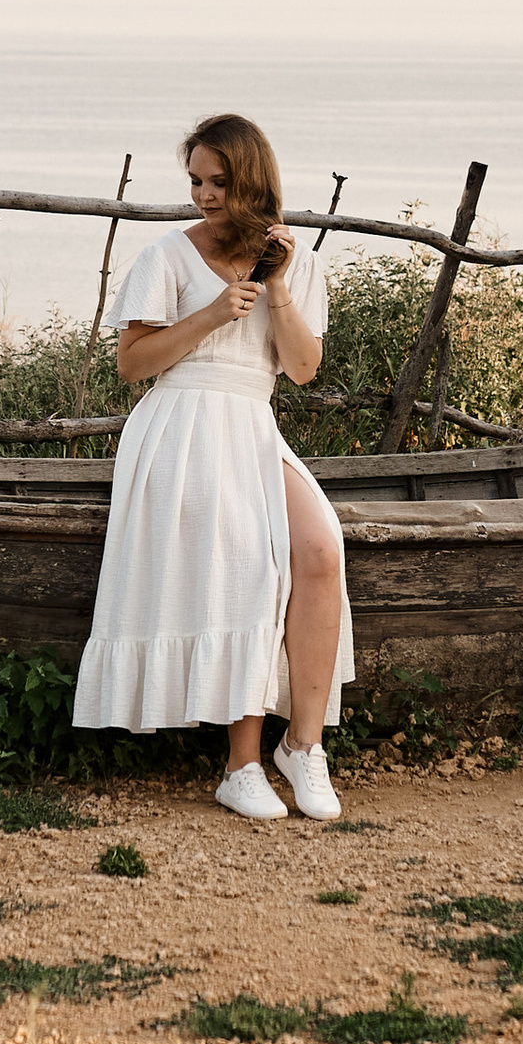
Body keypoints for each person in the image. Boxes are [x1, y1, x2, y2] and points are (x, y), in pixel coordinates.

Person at [71, 113, 352, 821]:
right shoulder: (167, 256)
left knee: (321, 551)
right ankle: (240, 766)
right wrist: (210, 315)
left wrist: (276, 287)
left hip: (251, 423)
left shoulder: (295, 260)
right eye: (195, 180)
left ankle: (303, 746)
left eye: (218, 182)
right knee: (249, 561)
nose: (203, 195)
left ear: (252, 181)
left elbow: (303, 369)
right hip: (180, 425)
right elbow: (132, 365)